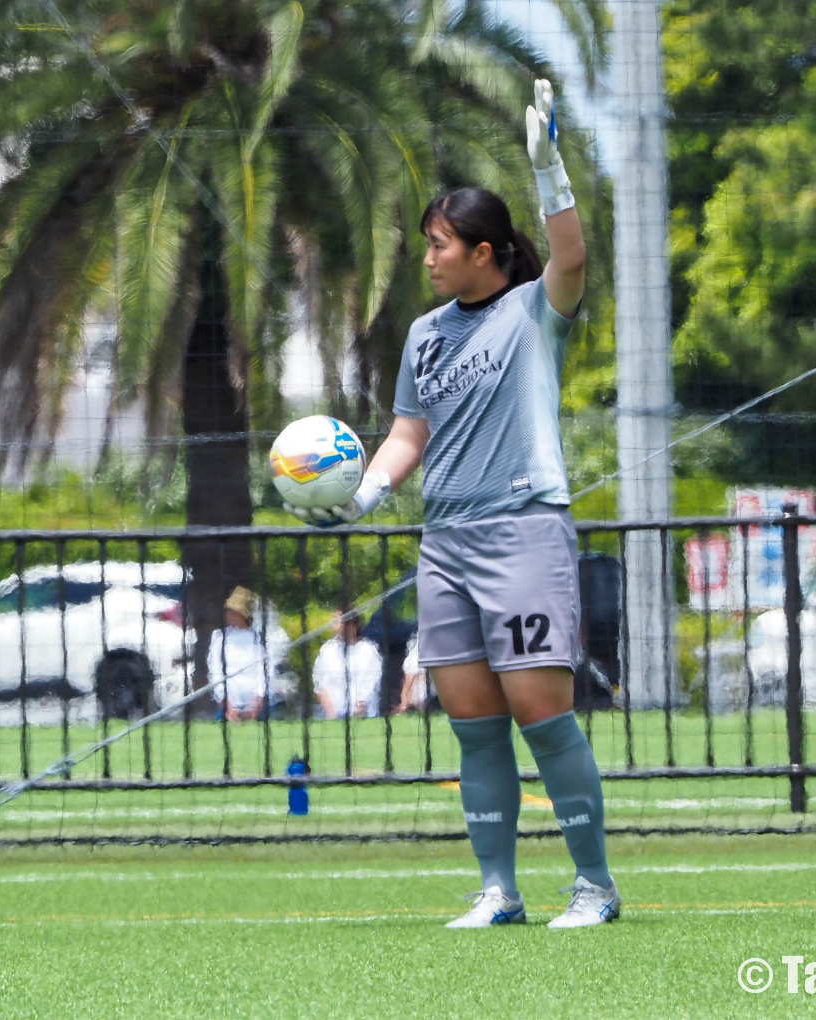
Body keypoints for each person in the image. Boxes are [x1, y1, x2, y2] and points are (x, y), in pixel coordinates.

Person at [287, 80, 616, 928]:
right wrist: (364, 493)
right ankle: (498, 890)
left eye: (439, 245)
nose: (427, 258)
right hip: (447, 543)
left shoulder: (531, 311)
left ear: (484, 250)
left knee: (543, 717)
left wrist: (550, 172)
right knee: (473, 725)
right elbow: (406, 434)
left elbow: (572, 258)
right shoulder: (425, 335)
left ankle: (593, 888)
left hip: (524, 533)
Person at [206, 586, 270, 721]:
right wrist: (227, 706)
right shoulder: (219, 637)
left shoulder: (259, 639)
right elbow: (215, 671)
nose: (229, 615)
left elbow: (263, 672)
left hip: (255, 706)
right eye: (228, 611)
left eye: (233, 612)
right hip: (228, 705)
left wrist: (256, 704)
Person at [312, 610, 383, 719]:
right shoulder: (327, 650)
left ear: (354, 626)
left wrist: (360, 706)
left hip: (363, 716)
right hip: (332, 716)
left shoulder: (368, 650)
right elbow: (320, 684)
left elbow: (371, 681)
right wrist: (331, 712)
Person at [392, 634, 430, 714]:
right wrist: (404, 701)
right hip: (417, 700)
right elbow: (408, 680)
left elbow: (409, 679)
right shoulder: (414, 659)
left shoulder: (417, 658)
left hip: (421, 698)